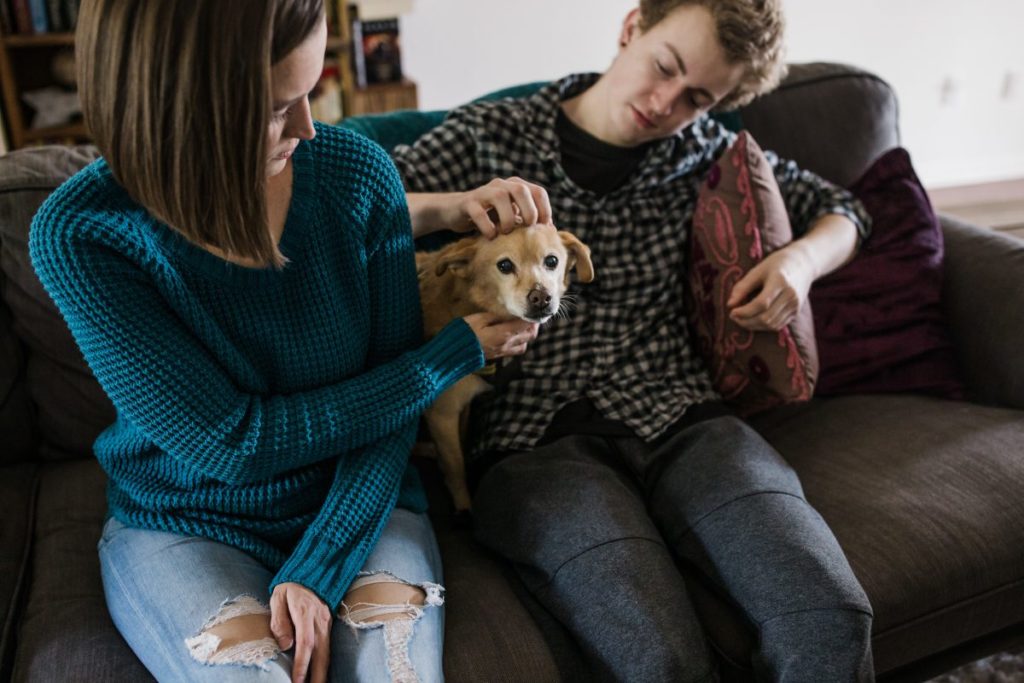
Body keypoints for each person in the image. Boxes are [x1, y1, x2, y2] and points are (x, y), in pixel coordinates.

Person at [29, 1, 540, 682]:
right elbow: (237, 443)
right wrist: (443, 357)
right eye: (274, 107)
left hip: (361, 502)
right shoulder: (84, 235)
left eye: (310, 89)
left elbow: (386, 417)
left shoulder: (358, 175)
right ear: (175, 110)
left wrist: (321, 562)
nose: (306, 126)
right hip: (183, 519)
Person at [392, 1, 876, 681]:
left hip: (686, 418)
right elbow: (348, 201)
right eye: (664, 66)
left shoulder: (705, 150)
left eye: (697, 97)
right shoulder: (491, 135)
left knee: (829, 617)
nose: (664, 103)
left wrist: (798, 263)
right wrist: (448, 207)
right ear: (631, 29)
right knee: (657, 654)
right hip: (533, 441)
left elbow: (846, 209)